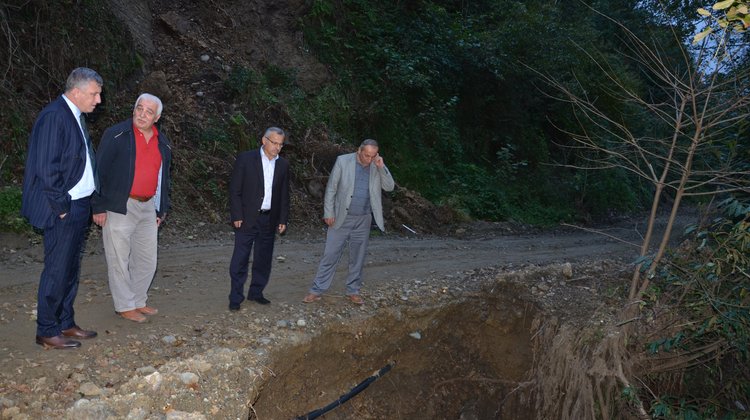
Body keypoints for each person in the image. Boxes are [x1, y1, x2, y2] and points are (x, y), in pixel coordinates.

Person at [21, 67, 103, 349]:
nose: (98, 100)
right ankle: (46, 329)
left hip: (78, 205)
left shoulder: (74, 115)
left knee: (70, 268)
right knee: (57, 269)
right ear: (76, 92)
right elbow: (46, 168)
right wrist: (62, 208)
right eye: (94, 94)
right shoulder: (55, 116)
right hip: (63, 208)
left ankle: (65, 322)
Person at [91, 93, 172, 323]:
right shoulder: (116, 134)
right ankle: (124, 305)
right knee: (119, 258)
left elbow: (163, 179)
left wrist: (160, 209)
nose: (142, 114)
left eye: (148, 111)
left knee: (147, 259)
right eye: (139, 108)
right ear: (134, 109)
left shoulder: (163, 142)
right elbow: (98, 172)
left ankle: (138, 300)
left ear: (156, 117)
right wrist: (98, 206)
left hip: (148, 207)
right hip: (120, 204)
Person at [303, 139, 395, 305]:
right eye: (366, 155)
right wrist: (328, 212)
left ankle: (353, 290)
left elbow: (389, 187)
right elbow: (331, 188)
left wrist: (381, 166)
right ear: (359, 150)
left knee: (357, 257)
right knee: (330, 255)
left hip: (364, 218)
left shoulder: (376, 164)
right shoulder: (343, 161)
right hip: (341, 217)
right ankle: (316, 290)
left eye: (373, 156)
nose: (369, 159)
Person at [228, 127, 290, 311]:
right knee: (240, 259)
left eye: (280, 144)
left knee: (263, 259)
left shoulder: (283, 165)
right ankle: (235, 297)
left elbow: (284, 195)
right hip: (246, 218)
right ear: (264, 140)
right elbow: (235, 189)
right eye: (274, 143)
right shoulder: (246, 159)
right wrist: (237, 214)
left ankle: (256, 292)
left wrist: (282, 219)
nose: (277, 147)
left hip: (269, 219)